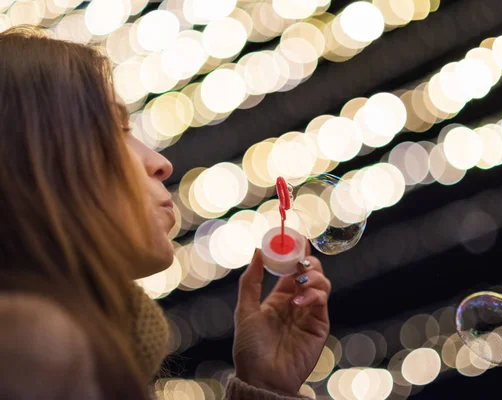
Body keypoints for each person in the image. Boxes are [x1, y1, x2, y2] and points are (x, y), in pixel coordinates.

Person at [0, 26, 332, 399]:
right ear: (34, 159)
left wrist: (266, 385)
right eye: (115, 128)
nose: (161, 164)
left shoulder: (69, 352)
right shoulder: (31, 350)